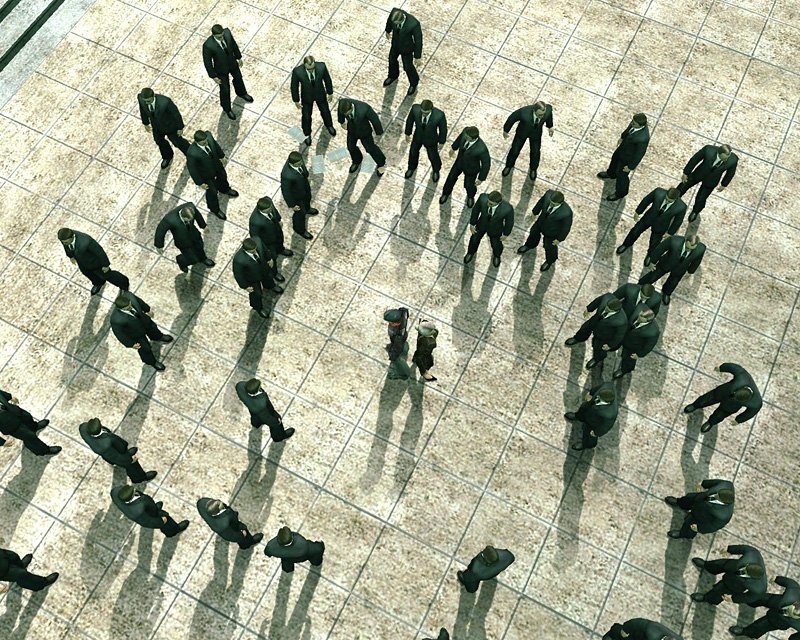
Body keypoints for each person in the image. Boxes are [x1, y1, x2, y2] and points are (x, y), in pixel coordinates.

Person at [684, 363, 762, 433]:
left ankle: (710, 423)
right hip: (721, 392)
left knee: (719, 416)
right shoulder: (742, 377)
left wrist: (738, 420)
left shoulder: (755, 403)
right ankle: (695, 405)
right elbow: (734, 368)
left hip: (730, 407)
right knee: (704, 400)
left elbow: (750, 413)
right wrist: (721, 368)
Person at [79, 417, 157, 483]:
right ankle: (139, 478)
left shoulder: (83, 428)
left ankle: (114, 462)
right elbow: (121, 449)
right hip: (119, 455)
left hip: (108, 455)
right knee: (132, 465)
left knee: (111, 458)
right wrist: (129, 457)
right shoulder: (108, 441)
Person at [616, 187, 686, 256]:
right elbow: (646, 200)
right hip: (649, 217)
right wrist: (638, 211)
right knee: (635, 231)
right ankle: (626, 244)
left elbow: (678, 221)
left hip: (661, 225)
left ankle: (650, 255)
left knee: (654, 243)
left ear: (676, 199)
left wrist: (670, 232)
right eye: (666, 199)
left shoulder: (681, 207)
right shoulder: (658, 192)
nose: (667, 202)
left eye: (670, 201)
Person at [202, 24, 253, 120]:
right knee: (225, 90)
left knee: (238, 78)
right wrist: (213, 76)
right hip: (221, 70)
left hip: (232, 63)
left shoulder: (227, 33)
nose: (222, 38)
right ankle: (227, 108)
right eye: (219, 37)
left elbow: (233, 45)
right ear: (213, 35)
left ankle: (242, 93)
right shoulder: (208, 45)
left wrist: (238, 57)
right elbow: (207, 62)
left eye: (222, 35)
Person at [57, 227, 129, 296]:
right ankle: (98, 283)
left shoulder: (87, 241)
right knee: (89, 274)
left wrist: (105, 265)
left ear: (72, 237)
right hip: (83, 262)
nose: (64, 244)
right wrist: (70, 256)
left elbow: (100, 252)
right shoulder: (65, 238)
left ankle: (124, 284)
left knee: (108, 276)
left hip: (96, 263)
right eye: (63, 242)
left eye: (65, 242)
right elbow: (66, 247)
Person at [110, 293, 172, 371]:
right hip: (135, 334)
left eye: (130, 304)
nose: (130, 307)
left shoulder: (130, 296)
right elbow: (119, 334)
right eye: (127, 308)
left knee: (153, 329)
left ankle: (158, 337)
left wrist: (147, 309)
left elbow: (140, 302)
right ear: (120, 308)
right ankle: (152, 362)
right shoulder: (116, 319)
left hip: (144, 321)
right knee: (145, 348)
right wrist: (131, 344)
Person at [638, 234, 705, 305]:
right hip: (666, 262)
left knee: (673, 283)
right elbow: (660, 249)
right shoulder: (674, 240)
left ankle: (666, 293)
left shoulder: (701, 249)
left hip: (681, 268)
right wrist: (652, 261)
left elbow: (697, 261)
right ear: (685, 241)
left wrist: (690, 271)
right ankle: (641, 284)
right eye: (687, 247)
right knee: (653, 276)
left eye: (691, 249)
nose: (688, 250)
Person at [186, 130, 239, 220]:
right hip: (206, 175)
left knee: (223, 178)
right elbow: (192, 169)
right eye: (203, 143)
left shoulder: (209, 137)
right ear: (197, 142)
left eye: (206, 141)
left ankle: (225, 189)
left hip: (217, 166)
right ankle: (214, 209)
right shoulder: (192, 153)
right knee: (212, 192)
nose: (206, 143)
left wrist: (222, 156)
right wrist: (200, 183)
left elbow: (216, 146)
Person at [597, 112, 650, 201]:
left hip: (627, 159)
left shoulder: (643, 138)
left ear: (641, 125)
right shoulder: (635, 123)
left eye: (634, 123)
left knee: (621, 175)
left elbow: (639, 154)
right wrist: (622, 137)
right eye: (632, 121)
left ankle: (621, 193)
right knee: (614, 161)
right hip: (622, 149)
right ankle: (611, 174)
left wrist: (630, 167)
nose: (632, 123)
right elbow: (628, 129)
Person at [678, 143, 738, 221]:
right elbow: (695, 159)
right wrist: (686, 172)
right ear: (719, 153)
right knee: (683, 186)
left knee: (701, 198)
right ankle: (675, 198)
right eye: (725, 157)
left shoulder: (733, 160)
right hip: (699, 173)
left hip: (712, 180)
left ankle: (695, 211)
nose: (727, 159)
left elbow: (730, 173)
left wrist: (724, 184)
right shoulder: (708, 150)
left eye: (728, 157)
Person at [691, 545, 768, 606]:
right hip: (732, 565)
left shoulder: (759, 588)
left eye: (745, 573)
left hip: (735, 585)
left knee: (719, 593)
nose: (741, 571)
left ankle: (707, 598)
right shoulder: (752, 554)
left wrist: (733, 598)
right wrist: (728, 550)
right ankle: (707, 565)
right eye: (744, 569)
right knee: (717, 564)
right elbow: (743, 548)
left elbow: (748, 598)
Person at [565, 296, 627, 370]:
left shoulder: (621, 321)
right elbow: (597, 301)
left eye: (609, 309)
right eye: (606, 307)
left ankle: (596, 359)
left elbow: (619, 336)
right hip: (595, 321)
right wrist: (589, 309)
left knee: (598, 348)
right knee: (584, 329)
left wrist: (610, 345)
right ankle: (578, 338)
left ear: (616, 311)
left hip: (604, 334)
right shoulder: (606, 298)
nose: (606, 309)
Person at [516, 189, 572, 271]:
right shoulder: (548, 195)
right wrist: (534, 212)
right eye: (551, 202)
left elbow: (566, 227)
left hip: (552, 231)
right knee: (533, 233)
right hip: (541, 222)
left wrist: (559, 239)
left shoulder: (566, 213)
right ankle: (529, 245)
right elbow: (540, 203)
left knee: (549, 246)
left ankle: (550, 261)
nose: (551, 204)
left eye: (554, 204)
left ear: (560, 203)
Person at [729, 576, 800, 638]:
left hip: (778, 620)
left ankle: (745, 632)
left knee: (760, 626)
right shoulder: (792, 593)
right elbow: (790, 583)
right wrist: (776, 579)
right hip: (777, 601)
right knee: (760, 598)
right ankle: (749, 601)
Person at [136, 87, 189, 169]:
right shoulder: (141, 99)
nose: (146, 103)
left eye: (149, 101)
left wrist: (180, 127)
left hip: (170, 126)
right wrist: (145, 123)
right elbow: (142, 110)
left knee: (177, 142)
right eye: (145, 101)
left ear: (153, 96)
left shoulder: (165, 102)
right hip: (156, 126)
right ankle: (167, 156)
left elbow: (176, 114)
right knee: (159, 141)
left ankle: (190, 154)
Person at [154, 203, 214, 274]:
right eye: (187, 220)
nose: (189, 222)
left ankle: (203, 259)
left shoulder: (191, 207)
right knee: (192, 259)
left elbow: (198, 215)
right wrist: (159, 245)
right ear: (182, 216)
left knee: (200, 247)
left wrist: (203, 226)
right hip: (183, 241)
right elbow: (160, 231)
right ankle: (181, 261)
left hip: (194, 235)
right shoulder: (170, 220)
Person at [664, 478, 734, 539]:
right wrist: (702, 485)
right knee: (687, 499)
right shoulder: (726, 485)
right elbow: (712, 483)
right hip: (699, 498)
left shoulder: (724, 516)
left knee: (689, 526)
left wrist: (699, 528)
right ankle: (679, 502)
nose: (715, 495)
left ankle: (683, 534)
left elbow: (711, 527)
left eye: (717, 497)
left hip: (700, 516)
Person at [501, 100, 554, 181]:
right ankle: (509, 165)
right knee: (515, 150)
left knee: (535, 152)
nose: (541, 117)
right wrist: (506, 130)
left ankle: (533, 169)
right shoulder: (524, 112)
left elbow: (549, 115)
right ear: (534, 111)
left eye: (543, 115)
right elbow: (512, 118)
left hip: (536, 134)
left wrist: (550, 126)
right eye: (539, 115)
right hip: (522, 133)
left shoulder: (547, 111)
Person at [439, 126, 491, 207]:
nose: (465, 137)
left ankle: (470, 196)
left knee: (469, 185)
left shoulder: (481, 149)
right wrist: (453, 148)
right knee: (450, 178)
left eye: (467, 137)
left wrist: (481, 178)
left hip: (471, 169)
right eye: (465, 135)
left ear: (473, 139)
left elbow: (486, 164)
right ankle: (445, 193)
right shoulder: (465, 132)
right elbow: (459, 139)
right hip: (459, 163)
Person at [232, 238, 283, 320]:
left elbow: (265, 250)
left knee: (269, 279)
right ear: (245, 250)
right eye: (252, 251)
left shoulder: (258, 242)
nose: (255, 251)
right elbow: (238, 275)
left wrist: (269, 258)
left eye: (255, 249)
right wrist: (245, 286)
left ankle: (270, 286)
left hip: (263, 269)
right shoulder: (239, 260)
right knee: (256, 294)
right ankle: (258, 308)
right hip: (252, 278)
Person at [111, 484, 189, 537]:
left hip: (148, 507)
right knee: (166, 521)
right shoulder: (138, 512)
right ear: (131, 497)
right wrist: (161, 521)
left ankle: (154, 508)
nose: (134, 489)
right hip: (151, 515)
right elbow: (148, 522)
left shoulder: (115, 492)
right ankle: (173, 531)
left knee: (152, 508)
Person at [291, 55, 336, 146]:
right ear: (304, 65)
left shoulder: (322, 67)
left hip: (320, 94)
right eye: (309, 69)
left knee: (325, 111)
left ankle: (329, 125)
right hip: (306, 97)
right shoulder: (297, 72)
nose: (311, 70)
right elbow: (294, 86)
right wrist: (296, 100)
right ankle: (307, 134)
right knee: (306, 117)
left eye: (313, 68)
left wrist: (330, 92)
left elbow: (327, 79)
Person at [0, 389, 60, 456]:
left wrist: (9, 396)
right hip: (10, 425)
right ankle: (43, 451)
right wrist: (2, 442)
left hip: (13, 410)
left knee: (28, 417)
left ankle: (34, 427)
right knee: (30, 437)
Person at [235, 378, 295, 442]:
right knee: (276, 425)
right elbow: (268, 417)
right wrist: (277, 420)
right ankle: (278, 437)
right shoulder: (262, 402)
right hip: (264, 413)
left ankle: (256, 423)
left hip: (253, 410)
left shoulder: (239, 386)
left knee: (255, 416)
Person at [464, 190, 514, 267]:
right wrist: (472, 223)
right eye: (488, 202)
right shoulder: (482, 198)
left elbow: (509, 222)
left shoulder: (507, 209)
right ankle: (470, 252)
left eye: (491, 204)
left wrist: (506, 234)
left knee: (496, 244)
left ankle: (497, 255)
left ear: (498, 203)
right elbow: (476, 210)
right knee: (474, 239)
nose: (488, 204)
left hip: (495, 228)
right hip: (481, 224)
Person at [338, 98, 386, 175]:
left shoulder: (364, 108)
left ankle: (381, 163)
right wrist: (341, 121)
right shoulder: (342, 103)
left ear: (351, 108)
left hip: (364, 131)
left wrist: (379, 132)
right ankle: (357, 160)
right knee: (350, 147)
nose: (347, 115)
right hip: (352, 130)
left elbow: (375, 120)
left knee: (370, 149)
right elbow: (340, 112)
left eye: (348, 113)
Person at [249, 197, 291, 284]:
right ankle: (274, 273)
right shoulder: (255, 221)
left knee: (280, 241)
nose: (270, 210)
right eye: (267, 210)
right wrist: (263, 249)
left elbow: (274, 211)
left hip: (276, 231)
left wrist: (278, 219)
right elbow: (255, 237)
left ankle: (281, 250)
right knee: (272, 258)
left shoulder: (268, 202)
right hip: (267, 242)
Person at [564, 383, 619, 451]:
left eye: (599, 399)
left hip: (593, 422)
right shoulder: (606, 386)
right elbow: (597, 388)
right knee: (582, 411)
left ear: (607, 402)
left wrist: (596, 433)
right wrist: (590, 394)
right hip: (587, 408)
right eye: (598, 396)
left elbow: (605, 426)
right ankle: (577, 416)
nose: (597, 398)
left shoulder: (610, 414)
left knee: (589, 435)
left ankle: (586, 444)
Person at [404, 99, 447, 182]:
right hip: (418, 136)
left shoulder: (439, 115)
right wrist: (407, 133)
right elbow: (410, 121)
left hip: (431, 139)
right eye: (422, 112)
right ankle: (411, 167)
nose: (424, 114)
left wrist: (441, 142)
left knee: (433, 156)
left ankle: (436, 170)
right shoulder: (415, 109)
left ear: (431, 110)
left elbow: (443, 130)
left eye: (426, 113)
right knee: (413, 152)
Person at [383, 8, 423, 95]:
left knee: (407, 67)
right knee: (391, 60)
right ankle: (393, 75)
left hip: (407, 48)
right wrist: (388, 30)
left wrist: (417, 56)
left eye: (397, 24)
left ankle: (414, 83)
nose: (395, 25)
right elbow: (389, 21)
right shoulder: (394, 12)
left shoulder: (414, 24)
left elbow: (418, 40)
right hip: (395, 44)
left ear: (401, 20)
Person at [196, 498, 263, 550]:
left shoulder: (201, 502)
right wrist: (242, 534)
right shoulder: (223, 526)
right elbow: (231, 536)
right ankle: (246, 544)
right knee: (243, 529)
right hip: (233, 526)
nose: (221, 502)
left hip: (228, 519)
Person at [613, 308, 660, 379]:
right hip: (625, 337)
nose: (638, 317)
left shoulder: (653, 332)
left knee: (628, 360)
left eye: (641, 318)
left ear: (647, 321)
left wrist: (639, 354)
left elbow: (648, 346)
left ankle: (624, 370)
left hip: (634, 347)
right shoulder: (637, 312)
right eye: (640, 315)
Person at [280, 151, 318, 240]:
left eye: (301, 162)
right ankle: (299, 229)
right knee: (300, 214)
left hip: (304, 188)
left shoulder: (298, 161)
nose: (301, 164)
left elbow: (303, 170)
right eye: (298, 163)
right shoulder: (286, 175)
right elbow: (286, 191)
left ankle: (307, 209)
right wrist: (292, 205)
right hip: (297, 197)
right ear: (292, 163)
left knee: (308, 200)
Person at [385, 308, 412, 380]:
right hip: (401, 340)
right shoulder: (403, 315)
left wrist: (393, 356)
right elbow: (405, 311)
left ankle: (403, 375)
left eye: (391, 322)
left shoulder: (398, 335)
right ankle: (404, 350)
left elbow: (397, 347)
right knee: (404, 346)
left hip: (398, 343)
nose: (389, 323)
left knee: (398, 361)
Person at [603, 618, 683, 640]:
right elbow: (636, 623)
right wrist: (625, 629)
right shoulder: (653, 631)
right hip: (633, 635)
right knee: (619, 633)